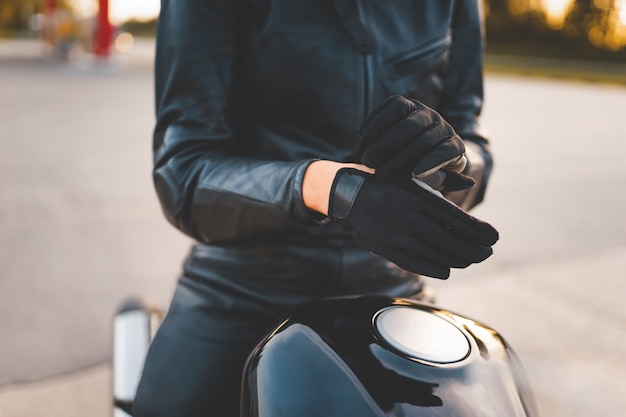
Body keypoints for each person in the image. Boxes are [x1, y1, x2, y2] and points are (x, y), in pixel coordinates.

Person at [133, 1, 498, 416]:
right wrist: (329, 187)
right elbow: (183, 173)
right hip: (241, 285)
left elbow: (474, 142)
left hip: (389, 283)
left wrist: (452, 162)